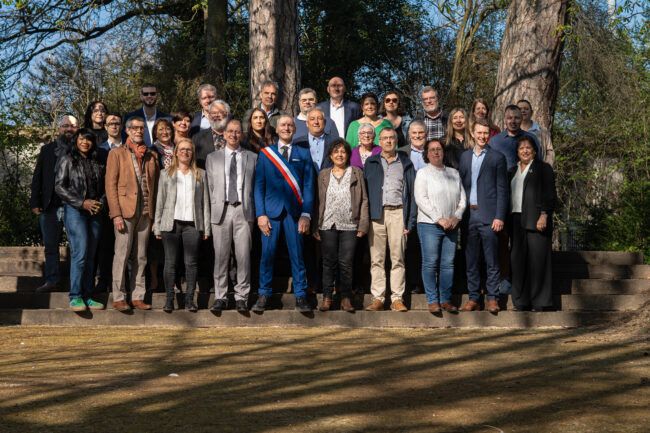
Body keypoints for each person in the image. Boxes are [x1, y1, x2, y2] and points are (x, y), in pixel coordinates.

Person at [252, 115, 315, 313]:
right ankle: (264, 294)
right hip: (270, 213)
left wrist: (306, 214)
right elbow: (258, 186)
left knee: (298, 255)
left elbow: (308, 186)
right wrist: (260, 214)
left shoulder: (304, 153)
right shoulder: (266, 154)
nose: (286, 128)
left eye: (290, 125)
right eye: (283, 125)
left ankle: (301, 295)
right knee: (267, 255)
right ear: (277, 129)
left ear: (294, 129)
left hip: (295, 214)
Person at [105, 116, 160, 311]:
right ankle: (119, 296)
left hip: (145, 212)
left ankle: (138, 296)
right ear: (127, 131)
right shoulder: (116, 153)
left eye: (141, 128)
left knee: (141, 256)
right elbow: (110, 186)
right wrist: (116, 214)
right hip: (125, 212)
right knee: (122, 254)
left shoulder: (151, 155)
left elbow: (156, 187)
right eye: (134, 128)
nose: (138, 131)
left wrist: (155, 215)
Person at [206, 119, 258, 312]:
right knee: (221, 256)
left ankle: (241, 296)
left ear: (241, 134)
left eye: (237, 131)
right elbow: (210, 188)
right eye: (230, 131)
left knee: (243, 256)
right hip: (221, 211)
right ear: (224, 133)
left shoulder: (252, 157)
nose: (233, 134)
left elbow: (256, 186)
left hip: (244, 211)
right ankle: (220, 296)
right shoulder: (213, 158)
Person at [153, 138, 210, 312]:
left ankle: (189, 300)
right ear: (176, 153)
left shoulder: (201, 174)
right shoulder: (166, 173)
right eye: (182, 149)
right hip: (171, 224)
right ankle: (169, 299)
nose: (185, 152)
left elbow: (205, 202)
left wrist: (206, 227)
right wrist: (157, 225)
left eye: (189, 150)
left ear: (192, 154)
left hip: (193, 224)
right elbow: (160, 201)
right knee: (170, 263)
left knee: (191, 263)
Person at [312, 139, 369, 312]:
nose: (339, 155)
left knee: (346, 263)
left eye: (343, 152)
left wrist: (363, 224)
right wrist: (315, 225)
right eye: (336, 152)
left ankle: (346, 298)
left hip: (350, 225)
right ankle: (327, 297)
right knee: (328, 262)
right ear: (330, 155)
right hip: (327, 224)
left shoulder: (356, 172)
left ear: (348, 155)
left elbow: (364, 199)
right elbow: (317, 201)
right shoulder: (323, 174)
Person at [458, 119, 508, 314]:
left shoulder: (497, 157)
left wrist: (499, 216)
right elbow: (460, 186)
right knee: (471, 260)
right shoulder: (464, 157)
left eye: (486, 133)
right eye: (479, 133)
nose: (482, 136)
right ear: (473, 133)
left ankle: (492, 298)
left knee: (491, 260)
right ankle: (473, 298)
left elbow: (502, 190)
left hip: (489, 216)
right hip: (468, 215)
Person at [363, 128, 416, 312]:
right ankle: (378, 298)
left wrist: (410, 220)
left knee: (397, 258)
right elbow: (365, 192)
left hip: (398, 213)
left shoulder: (406, 163)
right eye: (384, 138)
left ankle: (397, 298)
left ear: (396, 140)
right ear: (380, 141)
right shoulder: (371, 162)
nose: (388, 141)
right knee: (376, 259)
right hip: (376, 215)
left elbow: (413, 194)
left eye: (391, 138)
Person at [54, 128, 106, 311]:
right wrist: (82, 203)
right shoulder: (67, 159)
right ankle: (75, 296)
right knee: (80, 253)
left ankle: (88, 295)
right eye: (82, 139)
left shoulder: (97, 161)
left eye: (88, 139)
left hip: (95, 212)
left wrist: (100, 202)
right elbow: (59, 187)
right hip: (75, 211)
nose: (85, 142)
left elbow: (104, 188)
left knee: (91, 256)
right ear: (76, 140)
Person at [414, 139, 466, 313]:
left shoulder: (454, 173)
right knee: (430, 263)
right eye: (432, 150)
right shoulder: (423, 173)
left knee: (448, 264)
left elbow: (462, 199)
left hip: (451, 226)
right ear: (427, 154)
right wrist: (439, 218)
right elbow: (421, 199)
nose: (436, 152)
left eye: (439, 149)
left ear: (444, 152)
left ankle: (445, 300)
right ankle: (432, 300)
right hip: (429, 225)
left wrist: (457, 216)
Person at [30, 115, 79, 292]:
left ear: (77, 129)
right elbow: (38, 176)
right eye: (65, 126)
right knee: (51, 246)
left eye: (73, 126)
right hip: (50, 205)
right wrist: (35, 201)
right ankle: (52, 280)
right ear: (59, 128)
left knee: (77, 246)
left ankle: (77, 282)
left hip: (74, 206)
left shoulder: (81, 148)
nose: (69, 129)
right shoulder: (47, 150)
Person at [509, 135, 556, 311]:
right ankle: (521, 301)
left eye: (528, 148)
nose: (525, 151)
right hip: (516, 221)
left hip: (536, 220)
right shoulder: (512, 171)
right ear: (517, 152)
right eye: (521, 148)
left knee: (538, 262)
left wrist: (544, 215)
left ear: (535, 151)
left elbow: (549, 194)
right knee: (518, 262)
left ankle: (540, 302)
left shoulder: (543, 169)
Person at [397, 120, 428, 294]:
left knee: (427, 246)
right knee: (410, 245)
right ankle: (412, 283)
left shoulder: (433, 151)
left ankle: (426, 283)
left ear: (426, 134)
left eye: (420, 133)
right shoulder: (401, 152)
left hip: (429, 205)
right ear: (409, 135)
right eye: (414, 133)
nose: (417, 136)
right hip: (408, 204)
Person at [489, 105, 541, 170]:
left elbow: (539, 163)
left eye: (517, 118)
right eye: (509, 118)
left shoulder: (532, 138)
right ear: (505, 120)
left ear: (521, 119)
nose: (513, 121)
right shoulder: (495, 141)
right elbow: (490, 167)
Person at [294, 107, 338, 172]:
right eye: (312, 119)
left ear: (325, 122)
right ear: (307, 123)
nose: (316, 122)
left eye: (319, 118)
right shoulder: (297, 144)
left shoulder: (335, 142)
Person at [192, 100, 230, 169]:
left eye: (220, 112)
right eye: (213, 113)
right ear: (209, 116)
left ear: (227, 114)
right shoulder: (197, 138)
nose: (216, 115)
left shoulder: (238, 137)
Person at [517, 99, 554, 165]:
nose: (523, 111)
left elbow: (550, 151)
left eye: (526, 109)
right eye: (520, 109)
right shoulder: (511, 132)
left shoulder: (542, 131)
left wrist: (547, 167)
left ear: (531, 112)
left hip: (538, 169)